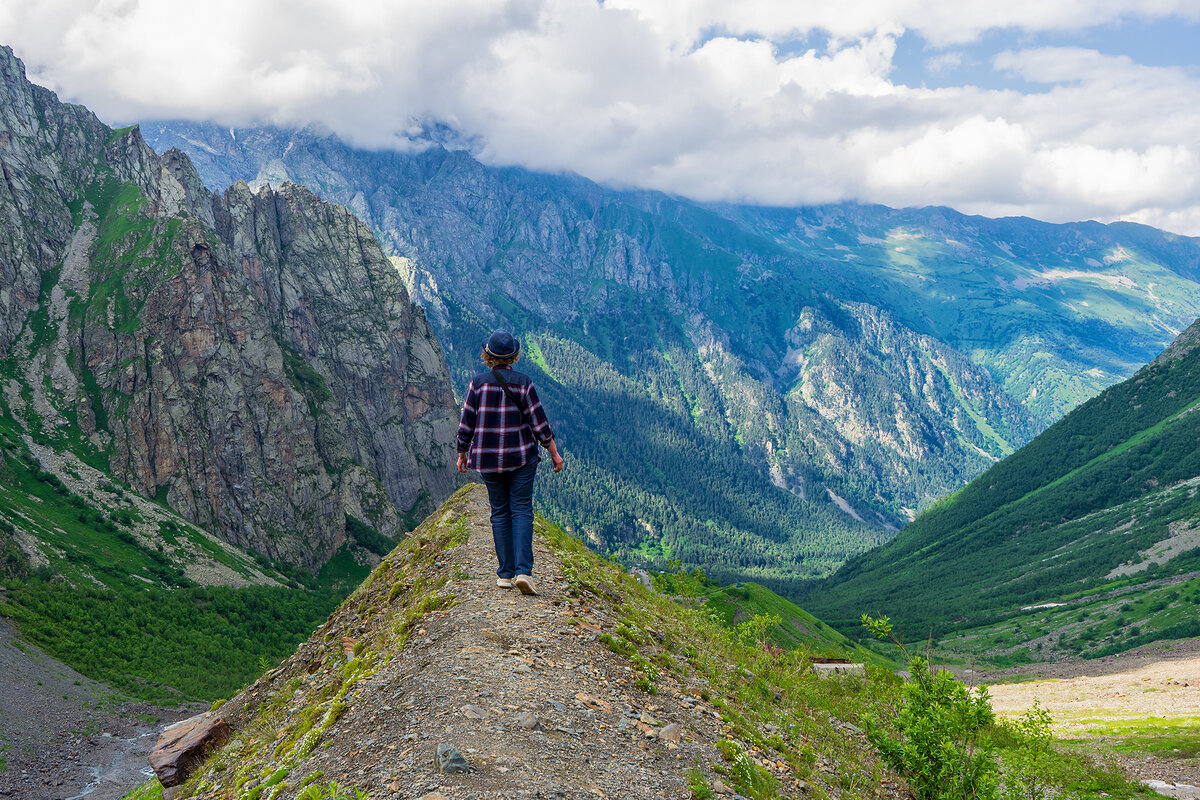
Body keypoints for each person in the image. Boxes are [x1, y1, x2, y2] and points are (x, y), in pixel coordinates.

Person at [456, 330, 564, 595]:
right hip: (521, 457)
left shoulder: (477, 384)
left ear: (487, 355)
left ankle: (505, 575)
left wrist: (462, 453)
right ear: (513, 355)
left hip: (488, 459)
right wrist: (553, 452)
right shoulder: (523, 382)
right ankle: (524, 572)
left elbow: (466, 423)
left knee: (499, 512)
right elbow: (539, 423)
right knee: (521, 509)